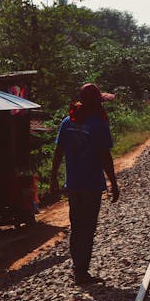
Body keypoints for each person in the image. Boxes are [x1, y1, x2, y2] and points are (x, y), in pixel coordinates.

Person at [51, 83, 119, 285]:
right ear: (97, 102)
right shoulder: (98, 124)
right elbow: (105, 157)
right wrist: (113, 183)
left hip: (73, 184)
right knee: (87, 228)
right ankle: (82, 272)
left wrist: (53, 176)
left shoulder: (67, 122)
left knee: (77, 226)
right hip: (90, 185)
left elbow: (58, 151)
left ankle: (77, 268)